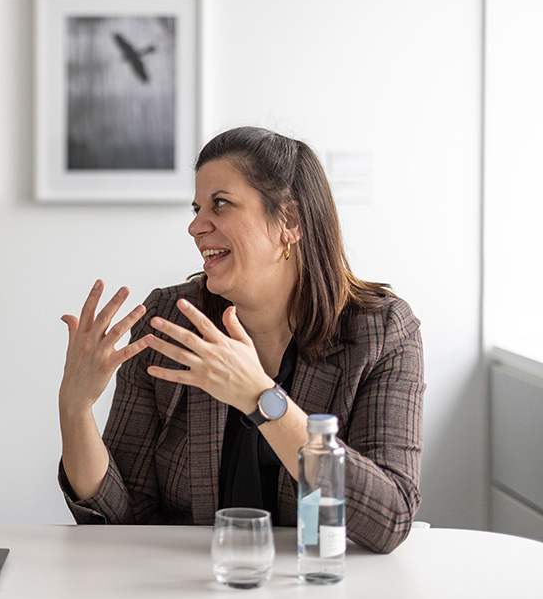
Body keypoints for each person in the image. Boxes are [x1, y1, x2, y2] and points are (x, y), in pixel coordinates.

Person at [57, 126, 424, 554]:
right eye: (196, 208)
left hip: (318, 592)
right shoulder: (168, 321)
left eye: (221, 204)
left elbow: (391, 518)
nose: (195, 226)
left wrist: (260, 396)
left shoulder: (382, 332)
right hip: (184, 593)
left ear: (289, 221)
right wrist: (75, 407)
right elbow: (121, 519)